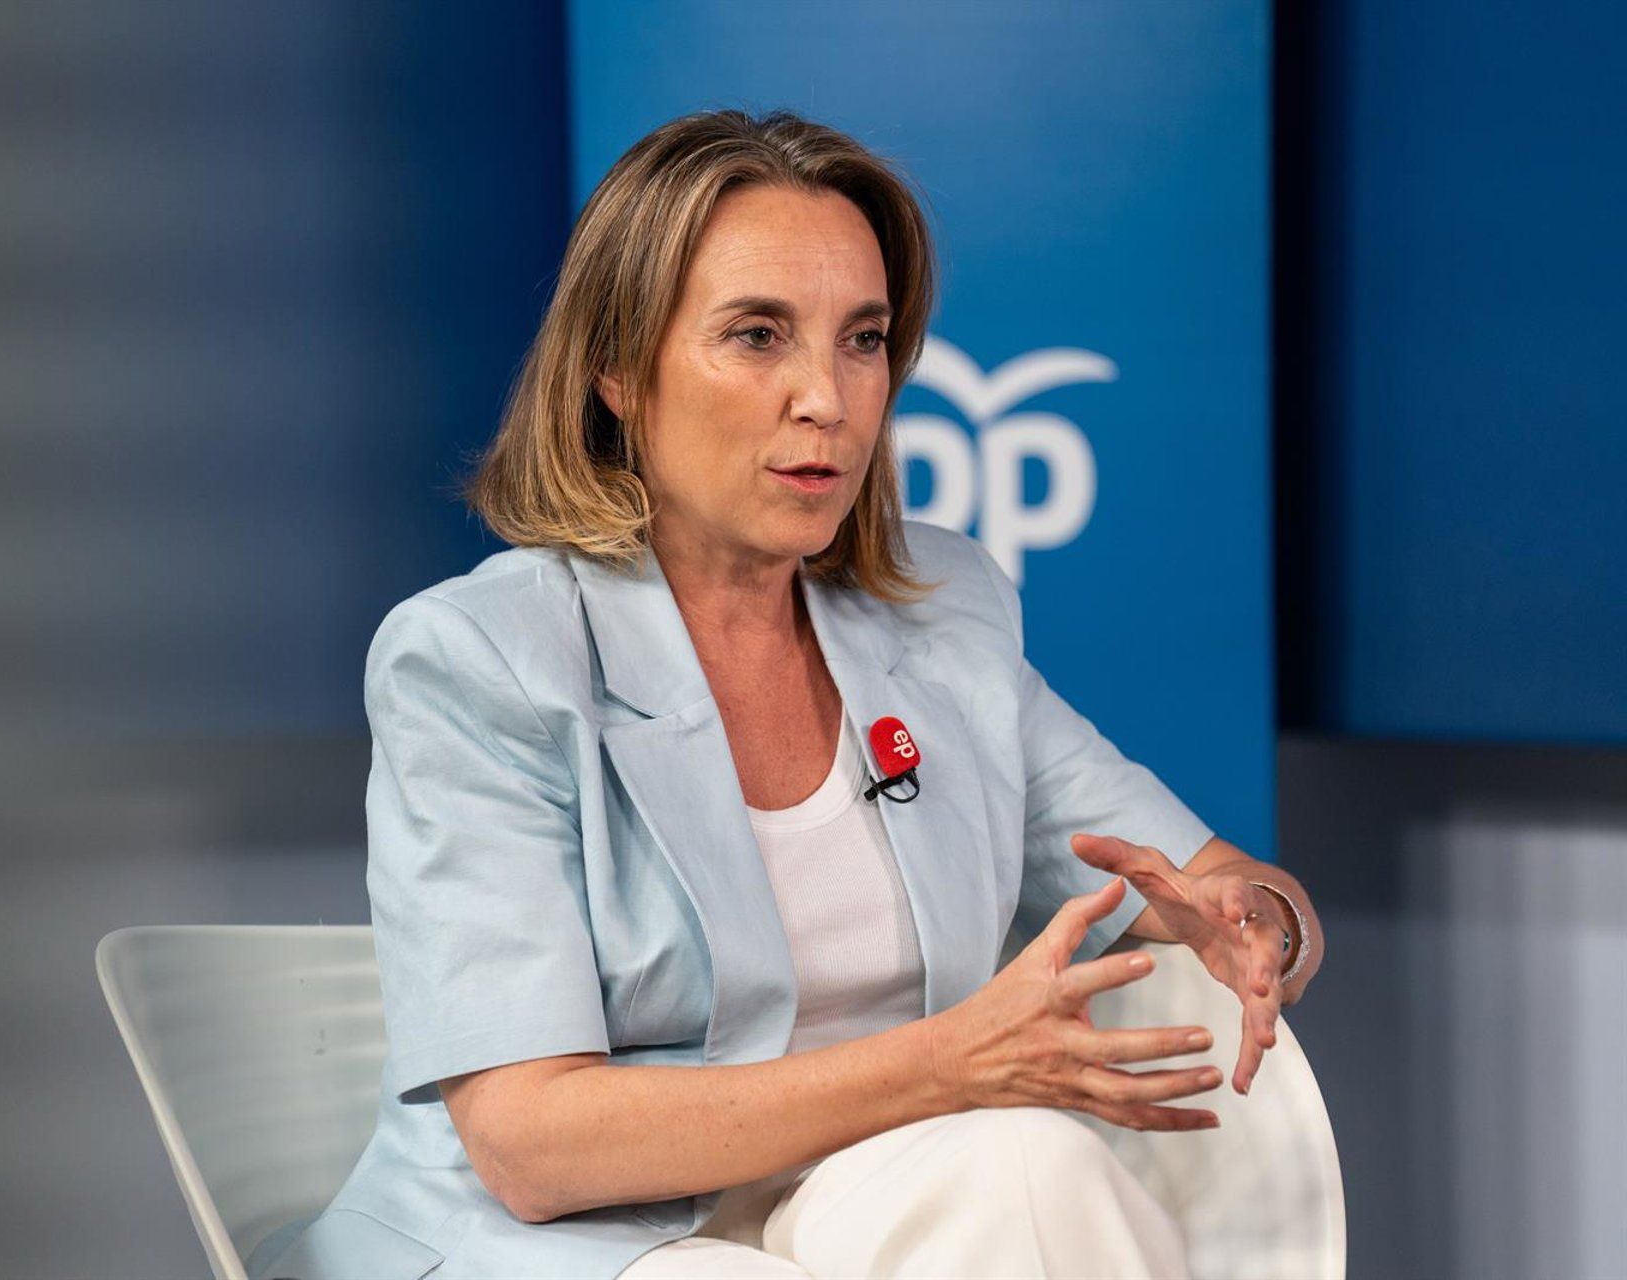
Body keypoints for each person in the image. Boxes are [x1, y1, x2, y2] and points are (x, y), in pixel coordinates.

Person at [249, 108, 1323, 1280]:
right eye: (758, 335)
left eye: (863, 340)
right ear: (617, 368)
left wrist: (1259, 925)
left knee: (1035, 1169)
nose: (828, 397)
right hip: (570, 1237)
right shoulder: (478, 655)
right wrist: (944, 1063)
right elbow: (529, 1142)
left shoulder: (943, 614)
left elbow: (1211, 880)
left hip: (861, 1192)